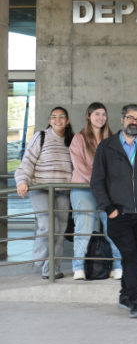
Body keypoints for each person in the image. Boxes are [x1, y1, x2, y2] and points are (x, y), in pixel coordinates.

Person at [91, 104, 137, 318]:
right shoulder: (106, 147)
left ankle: (124, 295)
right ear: (122, 120)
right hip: (118, 213)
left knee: (134, 256)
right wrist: (108, 208)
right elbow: (97, 181)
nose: (134, 122)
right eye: (130, 117)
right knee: (129, 254)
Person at [15, 107, 74, 280]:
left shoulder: (71, 140)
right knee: (48, 226)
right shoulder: (40, 137)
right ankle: (40, 258)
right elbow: (27, 161)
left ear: (67, 120)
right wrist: (22, 181)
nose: (57, 119)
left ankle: (51, 268)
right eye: (54, 117)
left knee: (60, 230)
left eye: (61, 116)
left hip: (63, 191)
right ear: (50, 120)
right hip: (41, 189)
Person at [69, 103, 121, 281]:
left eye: (103, 114)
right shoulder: (79, 138)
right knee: (83, 228)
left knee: (113, 227)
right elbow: (80, 166)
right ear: (88, 116)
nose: (101, 117)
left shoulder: (113, 138)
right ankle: (78, 267)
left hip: (108, 190)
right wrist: (100, 182)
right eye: (97, 114)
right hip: (84, 188)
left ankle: (117, 265)